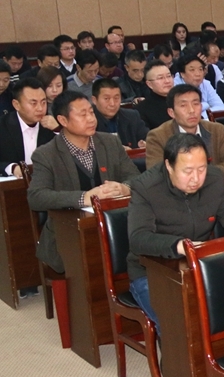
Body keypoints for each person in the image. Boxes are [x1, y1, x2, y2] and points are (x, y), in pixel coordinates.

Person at [127, 133, 224, 333]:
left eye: (202, 169)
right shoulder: (146, 187)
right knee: (179, 327)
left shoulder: (213, 179)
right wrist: (180, 245)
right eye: (188, 171)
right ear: (169, 166)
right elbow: (138, 238)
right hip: (151, 272)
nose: (196, 178)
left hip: (199, 265)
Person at [27, 91, 140, 273]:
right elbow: (36, 197)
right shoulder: (46, 154)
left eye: (91, 112)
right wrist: (84, 198)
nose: (91, 119)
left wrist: (124, 188)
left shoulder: (110, 142)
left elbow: (136, 179)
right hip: (69, 234)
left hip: (115, 227)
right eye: (82, 114)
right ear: (63, 120)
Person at [144, 84, 224, 175]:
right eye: (183, 105)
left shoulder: (216, 129)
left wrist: (204, 174)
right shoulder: (158, 136)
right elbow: (158, 173)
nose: (191, 110)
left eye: (195, 104)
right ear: (171, 112)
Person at [1, 79, 57, 176]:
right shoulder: (3, 126)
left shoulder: (53, 125)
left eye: (43, 102)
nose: (40, 108)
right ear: (16, 105)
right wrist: (11, 168)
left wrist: (58, 130)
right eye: (33, 103)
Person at [92, 78, 149, 149]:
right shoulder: (88, 121)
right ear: (94, 100)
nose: (112, 104)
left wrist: (145, 144)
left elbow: (148, 138)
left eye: (116, 98)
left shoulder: (132, 116)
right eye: (106, 99)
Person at [174, 51, 224, 118]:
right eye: (192, 70)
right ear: (182, 74)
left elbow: (221, 108)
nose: (198, 74)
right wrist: (206, 105)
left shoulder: (205, 83)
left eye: (200, 69)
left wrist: (202, 115)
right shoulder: (174, 86)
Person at [136, 60, 178, 129]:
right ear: (149, 84)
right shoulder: (142, 110)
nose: (167, 81)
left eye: (168, 76)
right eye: (160, 78)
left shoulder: (183, 100)